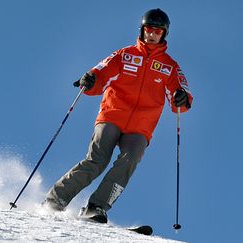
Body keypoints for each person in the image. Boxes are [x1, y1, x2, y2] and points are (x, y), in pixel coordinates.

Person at [43, 8, 193, 224]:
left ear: (164, 35)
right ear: (142, 30)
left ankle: (96, 207)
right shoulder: (126, 54)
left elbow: (181, 92)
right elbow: (102, 71)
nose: (152, 35)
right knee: (97, 160)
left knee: (129, 161)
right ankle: (55, 200)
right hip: (112, 115)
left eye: (157, 32)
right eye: (149, 30)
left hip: (141, 126)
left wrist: (183, 98)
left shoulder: (170, 67)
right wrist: (91, 79)